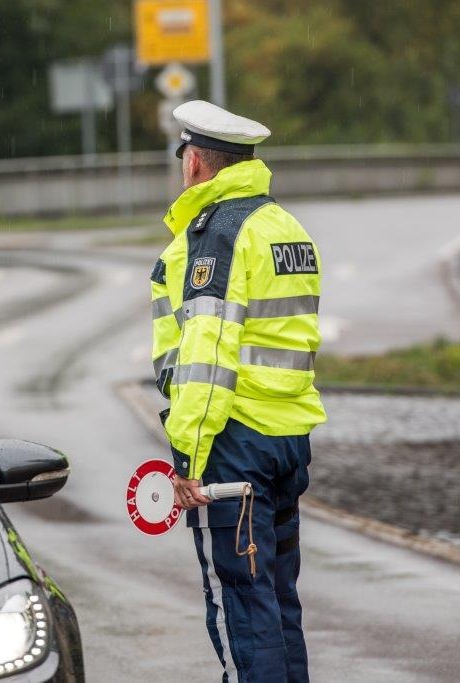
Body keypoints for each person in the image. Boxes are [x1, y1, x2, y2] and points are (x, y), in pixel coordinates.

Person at [150, 100, 326, 682]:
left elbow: (206, 362)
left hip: (235, 446)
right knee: (277, 602)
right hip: (288, 438)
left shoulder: (218, 235)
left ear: (196, 161)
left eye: (184, 158)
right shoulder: (285, 227)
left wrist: (187, 462)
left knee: (243, 610)